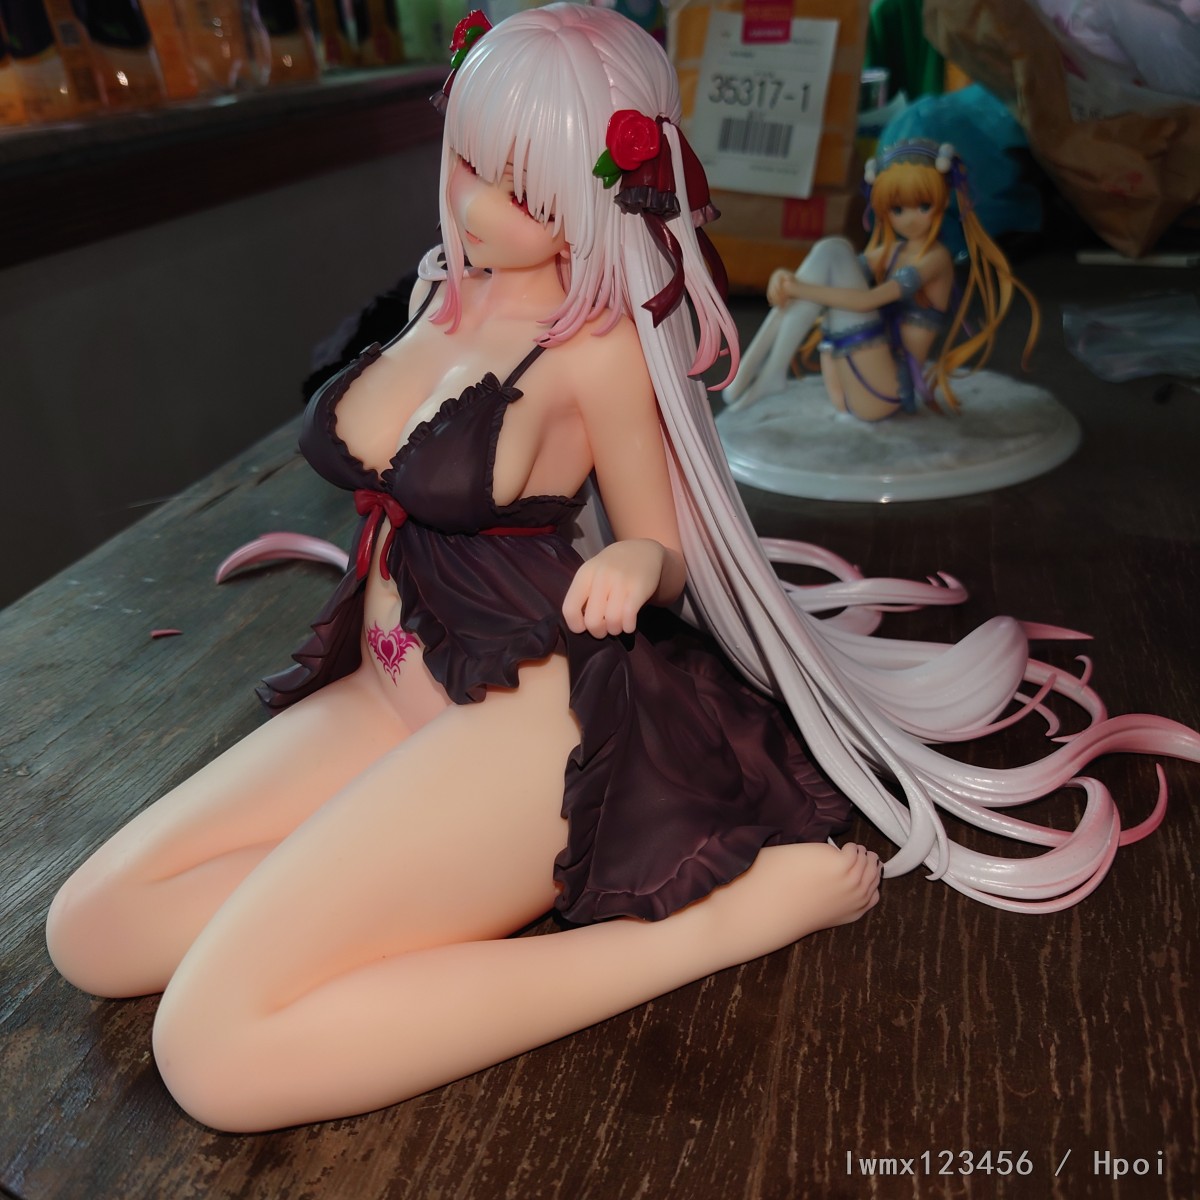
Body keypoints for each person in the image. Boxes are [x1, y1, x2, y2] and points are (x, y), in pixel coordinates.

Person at [44, 5, 1197, 1134]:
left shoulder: (595, 349)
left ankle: (693, 934)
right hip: (389, 688)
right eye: (470, 162)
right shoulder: (437, 292)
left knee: (213, 1054)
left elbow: (667, 542)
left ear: (599, 194)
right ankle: (347, 928)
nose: (478, 207)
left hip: (526, 718)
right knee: (95, 931)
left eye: (528, 193)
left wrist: (639, 561)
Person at [723, 140, 1040, 419]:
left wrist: (800, 288)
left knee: (833, 255)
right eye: (898, 209)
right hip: (846, 384)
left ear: (943, 201)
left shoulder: (936, 259)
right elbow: (830, 270)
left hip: (884, 392)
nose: (910, 219)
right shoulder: (890, 252)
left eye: (923, 206)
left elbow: (867, 301)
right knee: (831, 249)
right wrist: (785, 278)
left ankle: (767, 371)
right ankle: (766, 369)